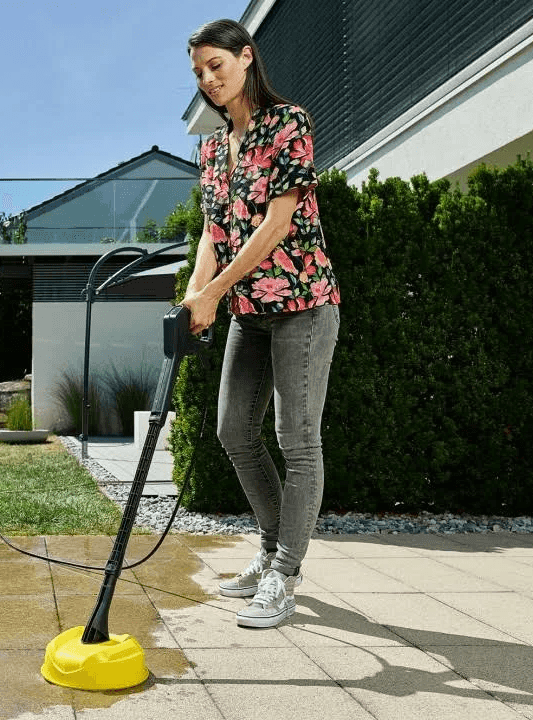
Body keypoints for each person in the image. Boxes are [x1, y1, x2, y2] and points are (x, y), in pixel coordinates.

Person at [181, 19, 341, 629]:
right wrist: (197, 292)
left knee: (298, 441)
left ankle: (285, 574)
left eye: (216, 65)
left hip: (304, 301)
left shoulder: (288, 124)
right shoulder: (212, 150)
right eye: (199, 71)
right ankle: (272, 551)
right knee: (232, 431)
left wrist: (215, 293)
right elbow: (212, 233)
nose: (208, 79)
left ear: (246, 58)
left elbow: (277, 223)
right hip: (251, 312)